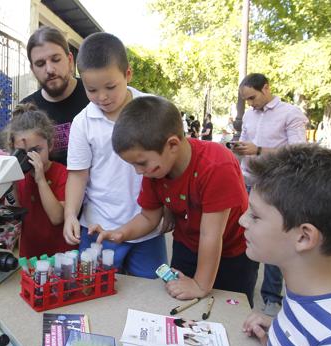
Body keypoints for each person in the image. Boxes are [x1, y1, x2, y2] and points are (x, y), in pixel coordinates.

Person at [93, 96, 258, 305]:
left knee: (230, 314)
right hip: (187, 246)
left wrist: (200, 285)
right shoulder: (156, 170)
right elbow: (148, 217)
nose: (138, 171)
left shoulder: (216, 165)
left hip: (232, 255)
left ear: (172, 144)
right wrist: (121, 233)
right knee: (180, 304)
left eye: (141, 163)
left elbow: (211, 235)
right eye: (133, 165)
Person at [63, 32, 168, 279]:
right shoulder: (83, 122)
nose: (102, 97)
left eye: (111, 87)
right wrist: (70, 215)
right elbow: (78, 176)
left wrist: (169, 209)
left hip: (147, 228)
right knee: (95, 293)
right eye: (92, 90)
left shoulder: (153, 109)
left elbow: (169, 167)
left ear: (128, 74)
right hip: (98, 229)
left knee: (151, 296)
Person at [241, 144, 331, 346]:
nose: (242, 221)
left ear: (304, 238)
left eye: (255, 216)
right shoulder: (307, 289)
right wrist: (280, 332)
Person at [233, 73, 309, 317]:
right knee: (249, 238)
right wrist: (240, 146)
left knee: (275, 242)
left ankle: (272, 297)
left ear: (266, 88)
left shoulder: (291, 114)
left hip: (276, 186)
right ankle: (244, 290)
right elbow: (247, 141)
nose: (251, 103)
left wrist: (259, 150)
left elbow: (299, 152)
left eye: (253, 97)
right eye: (247, 100)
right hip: (247, 182)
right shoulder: (249, 114)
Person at [6, 104, 73, 257]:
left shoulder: (63, 174)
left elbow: (57, 218)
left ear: (50, 145)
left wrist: (40, 179)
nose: (30, 157)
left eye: (36, 150)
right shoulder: (18, 176)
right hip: (30, 254)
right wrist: (11, 182)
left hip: (60, 256)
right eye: (23, 152)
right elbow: (14, 212)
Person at [21, 26, 90, 166]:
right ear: (32, 70)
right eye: (40, 64)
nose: (50, 69)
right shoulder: (26, 111)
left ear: (70, 60)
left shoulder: (94, 94)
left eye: (56, 59)